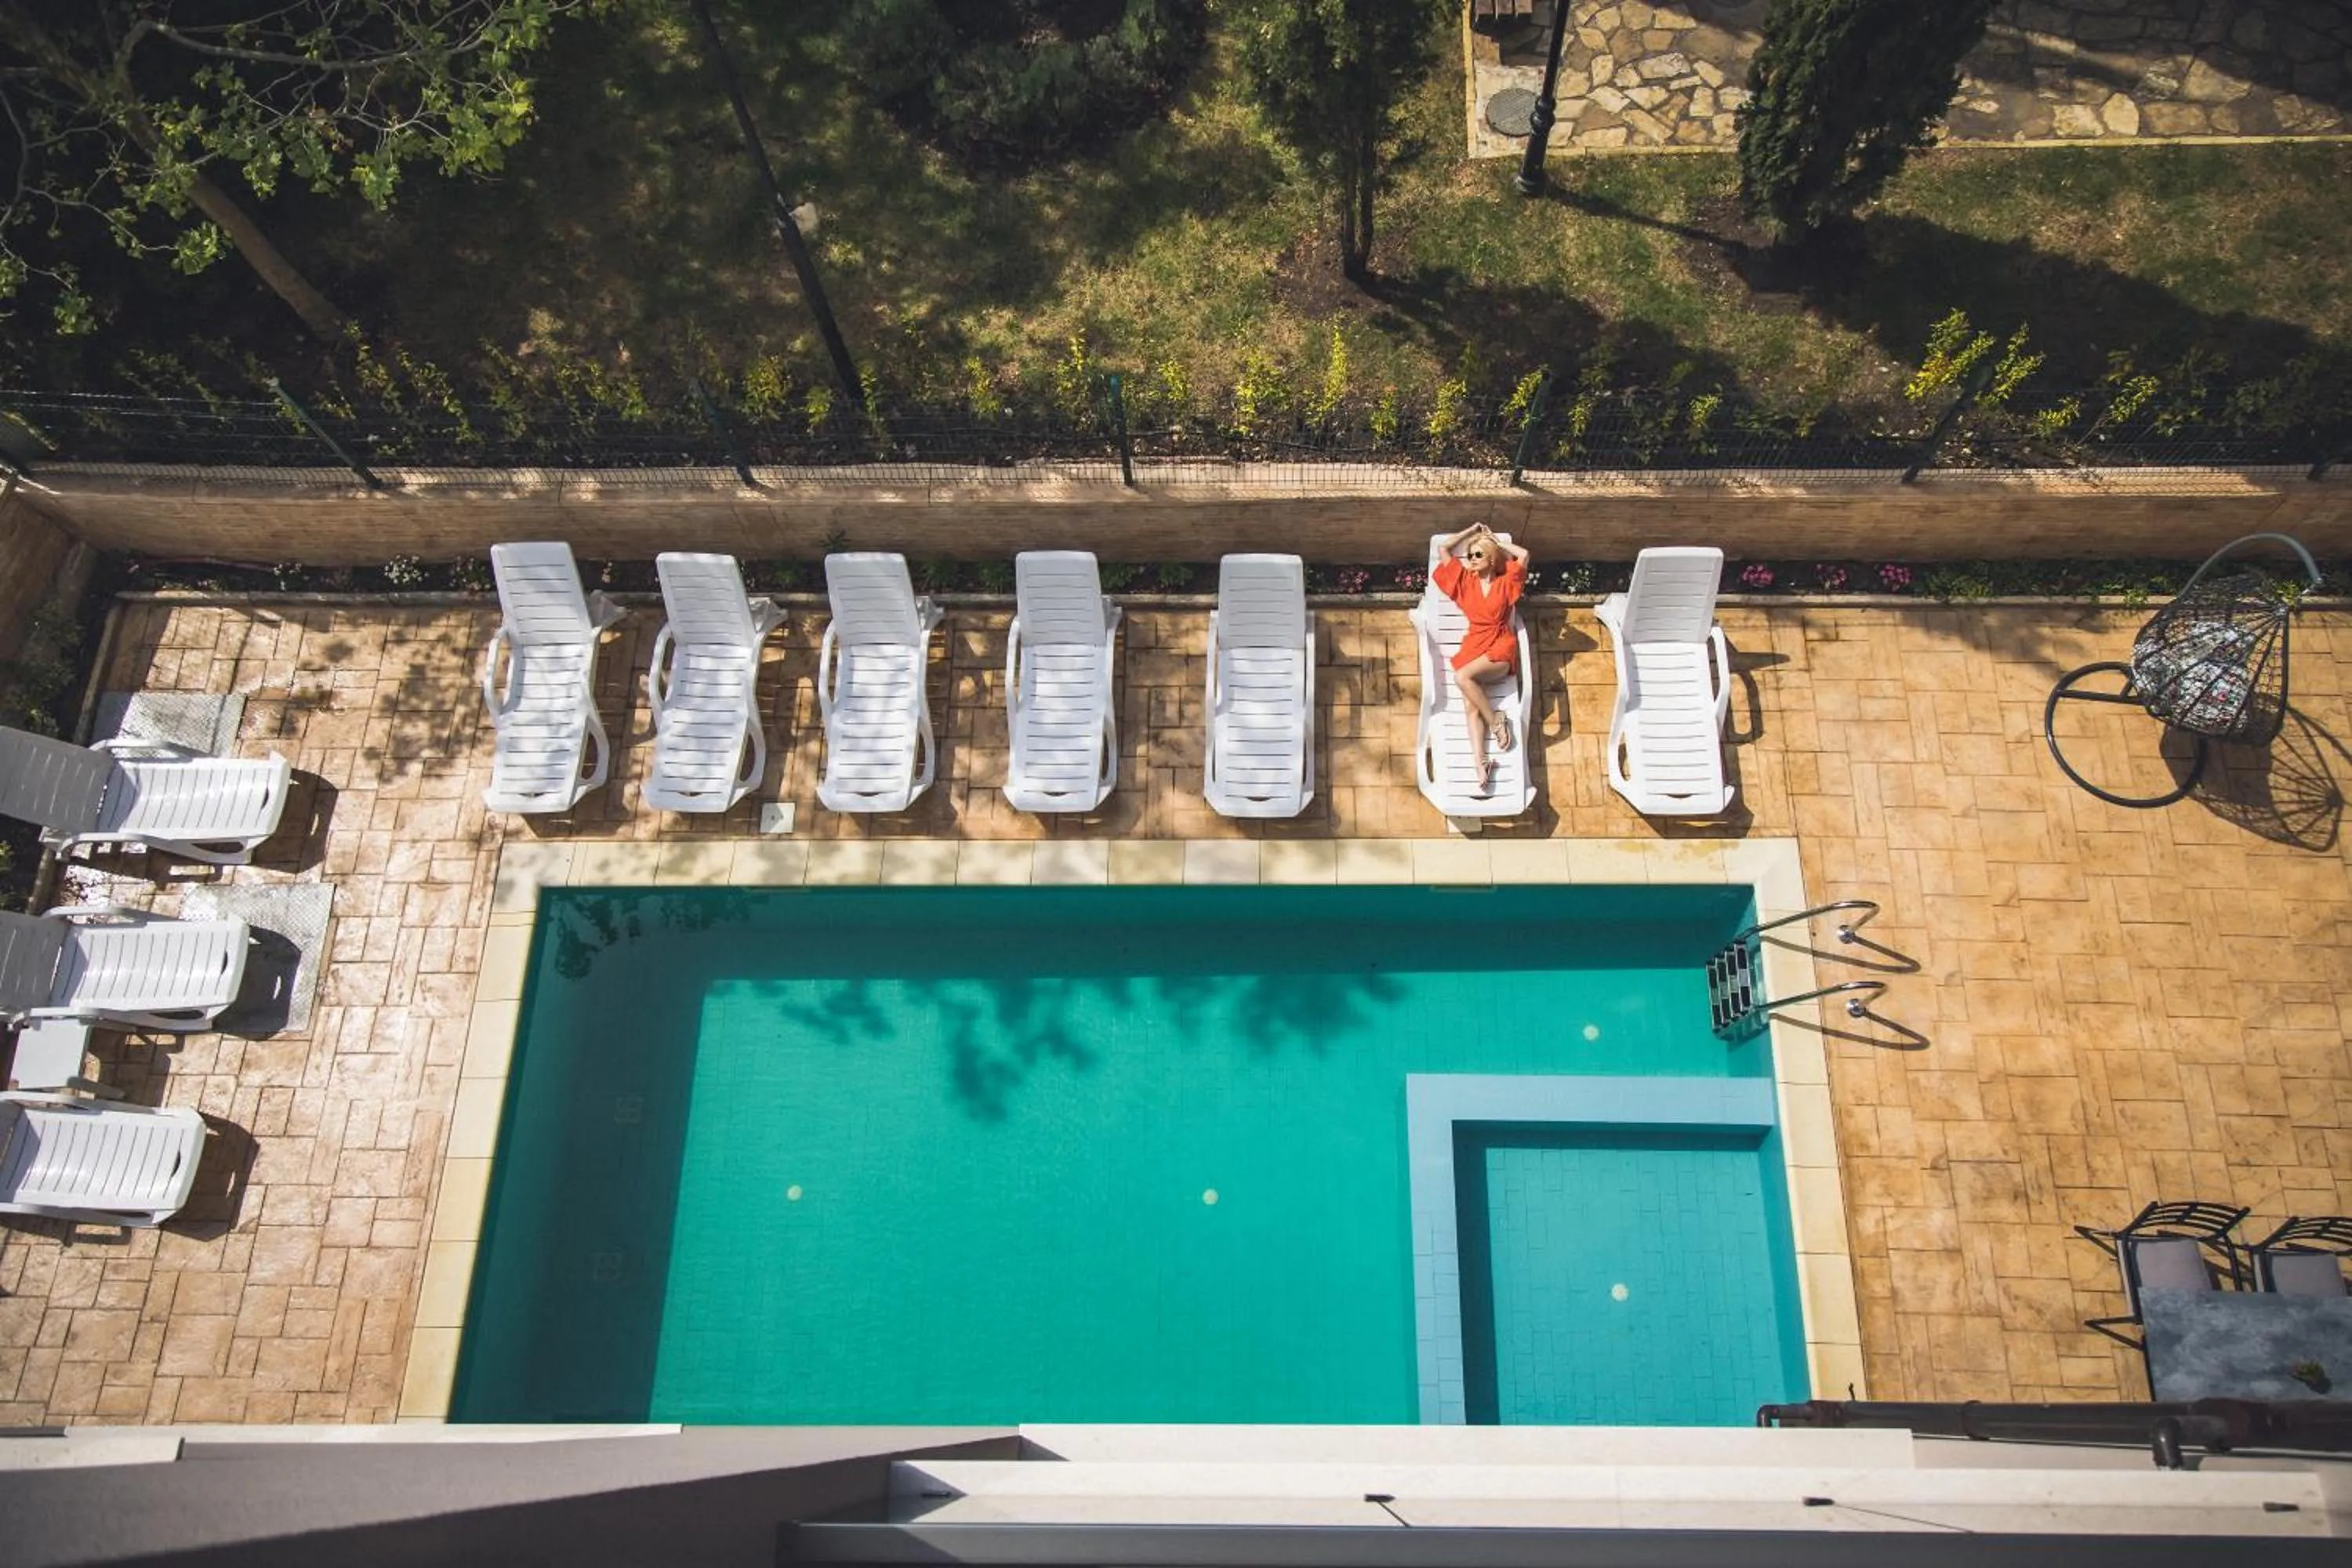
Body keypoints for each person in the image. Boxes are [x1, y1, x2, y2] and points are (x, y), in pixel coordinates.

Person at [1431, 522, 1530, 793]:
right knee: (1470, 706)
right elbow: (1443, 548)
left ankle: (1496, 721)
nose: (1470, 559)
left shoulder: (1505, 582)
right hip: (1474, 644)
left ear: (1491, 558)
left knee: (1462, 677)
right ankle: (1481, 763)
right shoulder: (1464, 582)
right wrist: (1469, 531)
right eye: (1469, 555)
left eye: (1476, 555)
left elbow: (1523, 555)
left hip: (1499, 646)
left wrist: (1494, 539)